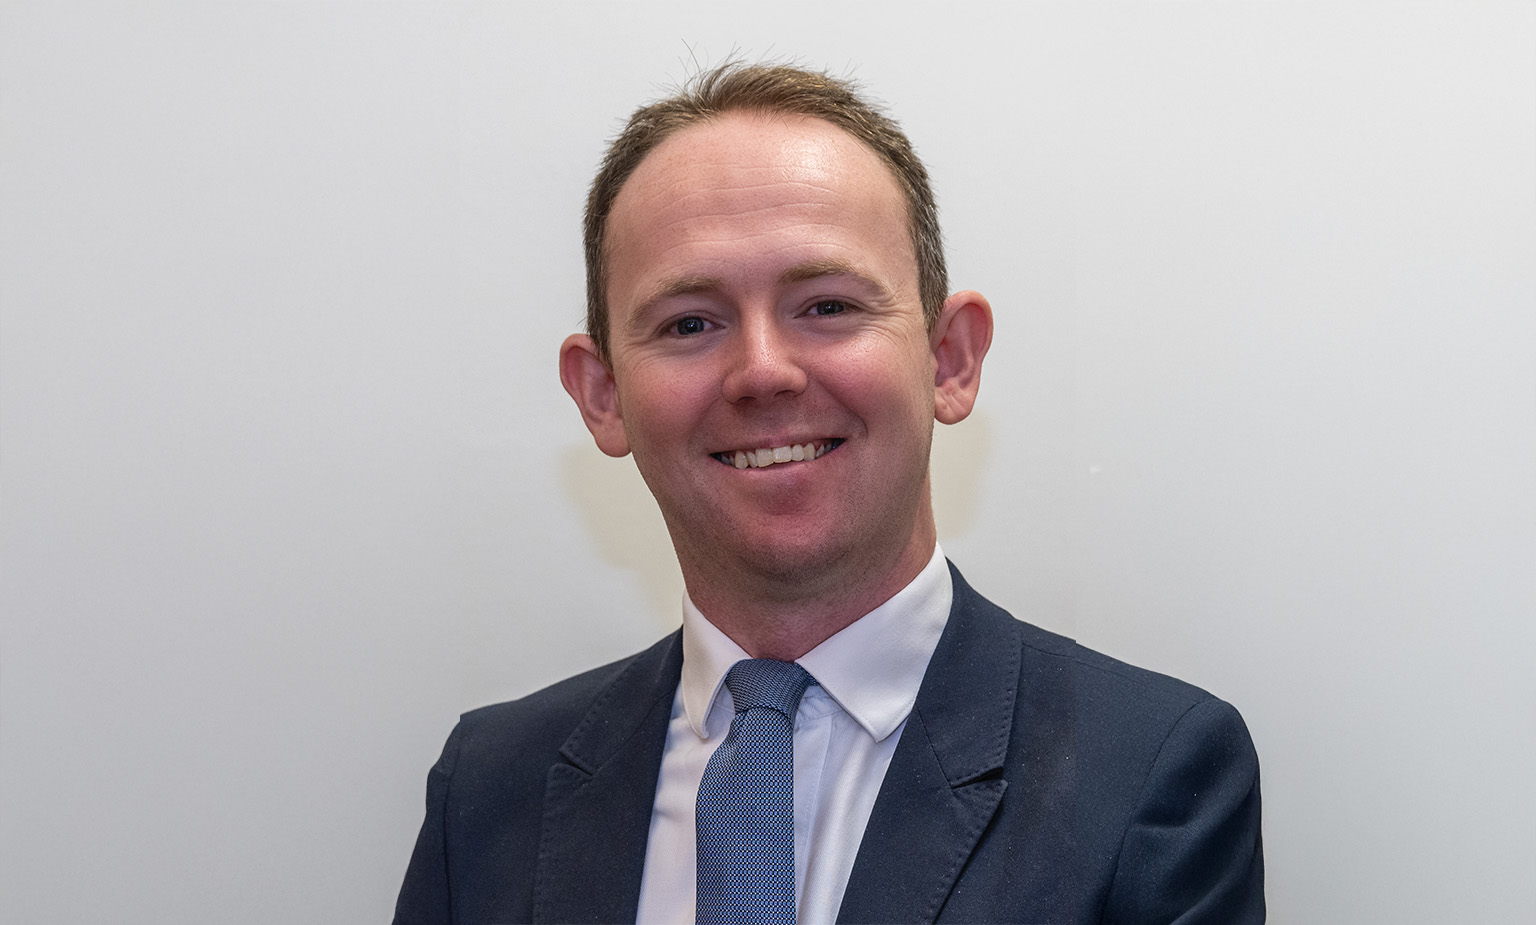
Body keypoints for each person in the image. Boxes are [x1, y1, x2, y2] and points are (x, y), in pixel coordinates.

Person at [394, 62, 1264, 924]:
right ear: (603, 394)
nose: (762, 370)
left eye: (828, 306)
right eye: (690, 322)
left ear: (950, 359)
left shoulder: (1148, 778)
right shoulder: (489, 790)